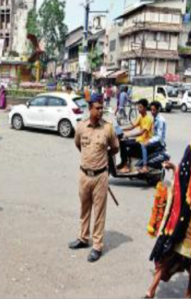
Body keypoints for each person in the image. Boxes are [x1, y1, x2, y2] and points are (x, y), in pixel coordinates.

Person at [70, 93, 119, 262]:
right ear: (89, 108)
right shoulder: (81, 127)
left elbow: (115, 148)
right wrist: (88, 159)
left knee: (99, 213)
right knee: (84, 209)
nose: (100, 111)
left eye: (102, 108)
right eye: (97, 108)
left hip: (100, 176)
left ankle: (97, 246)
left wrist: (102, 157)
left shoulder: (108, 128)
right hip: (84, 174)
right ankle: (83, 238)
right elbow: (78, 144)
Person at [145, 143, 191, 298]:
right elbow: (186, 177)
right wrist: (176, 169)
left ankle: (188, 294)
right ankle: (151, 291)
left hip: (189, 219)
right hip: (185, 216)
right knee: (168, 252)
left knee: (189, 261)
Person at [118, 99, 154, 173]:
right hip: (139, 139)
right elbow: (132, 126)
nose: (138, 109)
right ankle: (124, 163)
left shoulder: (148, 119)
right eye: (138, 107)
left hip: (143, 141)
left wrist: (128, 135)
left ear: (145, 108)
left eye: (140, 107)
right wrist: (120, 129)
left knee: (124, 143)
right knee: (122, 142)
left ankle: (126, 166)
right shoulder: (140, 116)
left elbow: (141, 132)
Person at [139, 101, 167, 173]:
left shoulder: (160, 120)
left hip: (159, 142)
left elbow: (159, 136)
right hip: (156, 140)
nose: (152, 112)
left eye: (154, 110)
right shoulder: (155, 118)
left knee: (143, 145)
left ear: (158, 110)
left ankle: (145, 166)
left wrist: (149, 141)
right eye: (151, 110)